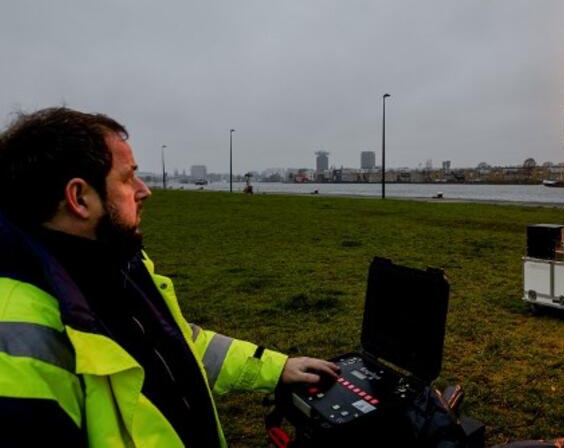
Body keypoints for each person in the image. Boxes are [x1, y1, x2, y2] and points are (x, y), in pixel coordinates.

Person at [0, 107, 339, 446]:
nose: (144, 190)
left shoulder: (121, 265)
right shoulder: (17, 348)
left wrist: (276, 368)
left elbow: (180, 345)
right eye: (127, 178)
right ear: (79, 198)